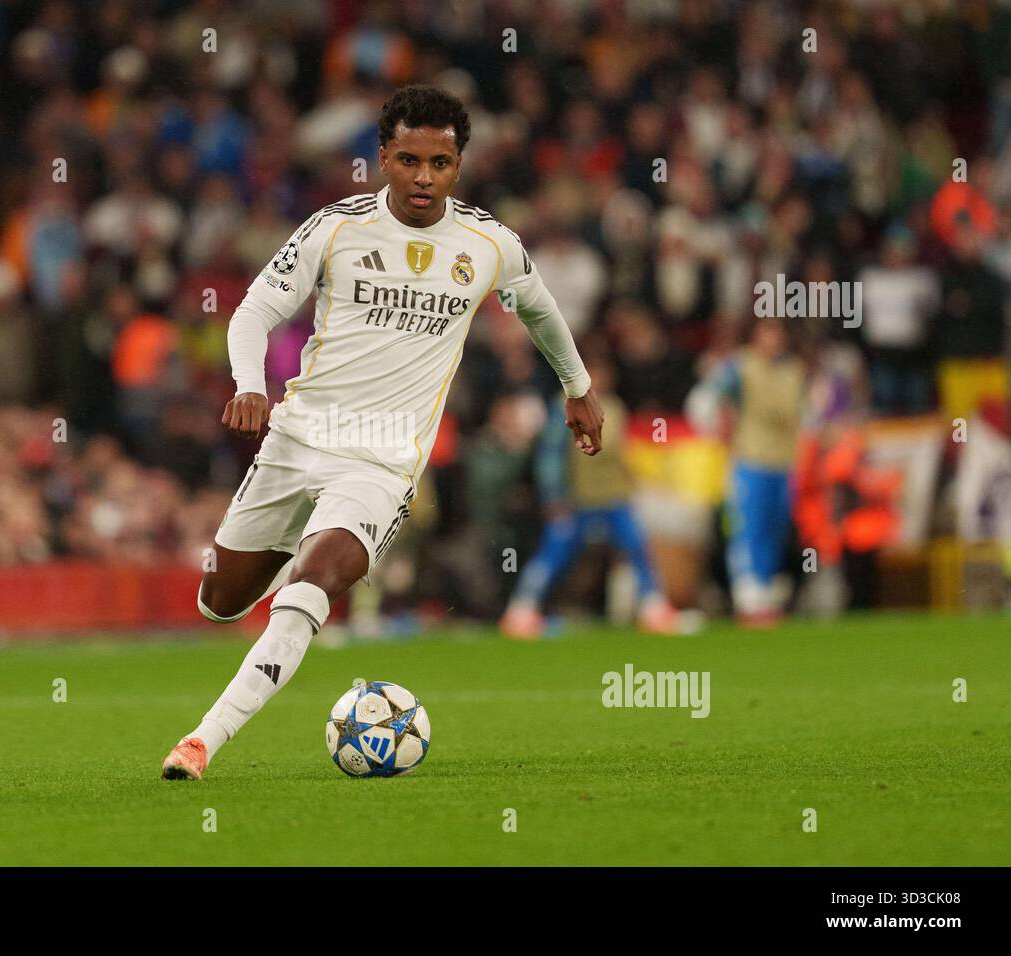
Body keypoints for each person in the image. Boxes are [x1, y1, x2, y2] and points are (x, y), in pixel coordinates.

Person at [161, 85, 604, 780]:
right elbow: (252, 311)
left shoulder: (489, 243)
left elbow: (540, 310)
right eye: (409, 160)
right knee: (220, 602)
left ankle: (201, 742)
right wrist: (249, 384)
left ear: (459, 165)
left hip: (382, 462)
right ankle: (303, 544)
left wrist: (577, 387)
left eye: (440, 163)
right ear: (383, 159)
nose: (424, 177)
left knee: (310, 588)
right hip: (297, 440)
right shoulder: (334, 228)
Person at [499, 356, 700, 638]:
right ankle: (521, 610)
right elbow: (551, 454)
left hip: (614, 497)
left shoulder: (615, 407)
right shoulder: (564, 405)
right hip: (578, 498)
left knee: (637, 549)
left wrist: (638, 483)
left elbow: (623, 453)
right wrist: (554, 495)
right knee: (553, 554)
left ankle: (653, 608)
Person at [687, 316, 804, 627]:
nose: (773, 339)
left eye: (777, 332)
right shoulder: (740, 367)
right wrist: (714, 431)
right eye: (767, 331)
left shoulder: (792, 371)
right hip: (750, 460)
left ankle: (764, 592)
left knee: (775, 529)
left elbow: (803, 415)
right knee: (747, 529)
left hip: (783, 462)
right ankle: (746, 594)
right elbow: (702, 399)